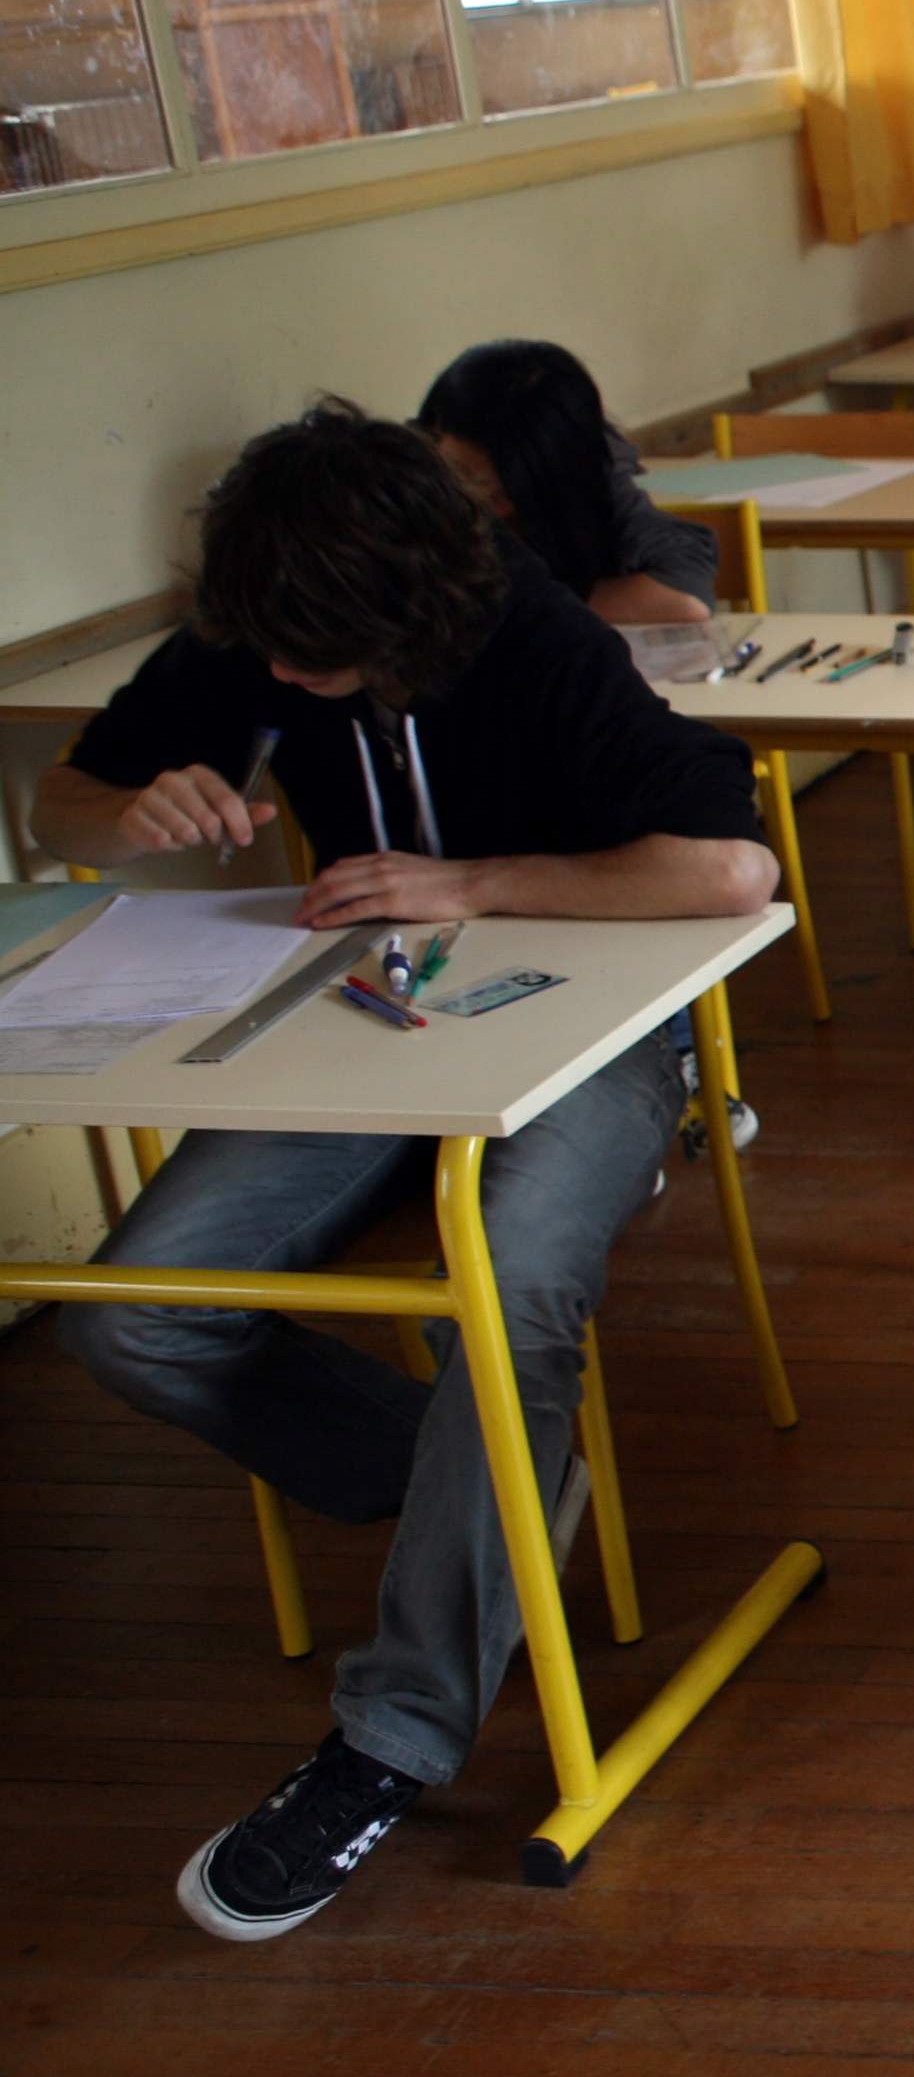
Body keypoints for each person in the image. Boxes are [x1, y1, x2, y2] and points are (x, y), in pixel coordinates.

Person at [39, 407, 778, 1942]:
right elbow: (69, 802)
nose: (285, 687)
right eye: (273, 660)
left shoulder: (532, 639)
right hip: (362, 1020)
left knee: (505, 1300)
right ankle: (490, 1471)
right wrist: (129, 813)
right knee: (132, 1312)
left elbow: (727, 868)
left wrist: (477, 884)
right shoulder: (264, 629)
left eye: (316, 665)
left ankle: (392, 1736)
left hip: (594, 1030)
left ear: (410, 619)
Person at [413, 339, 719, 629]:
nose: (492, 508)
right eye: (464, 476)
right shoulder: (411, 471)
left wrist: (517, 606)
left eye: (507, 493)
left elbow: (687, 599)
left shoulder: (598, 479)